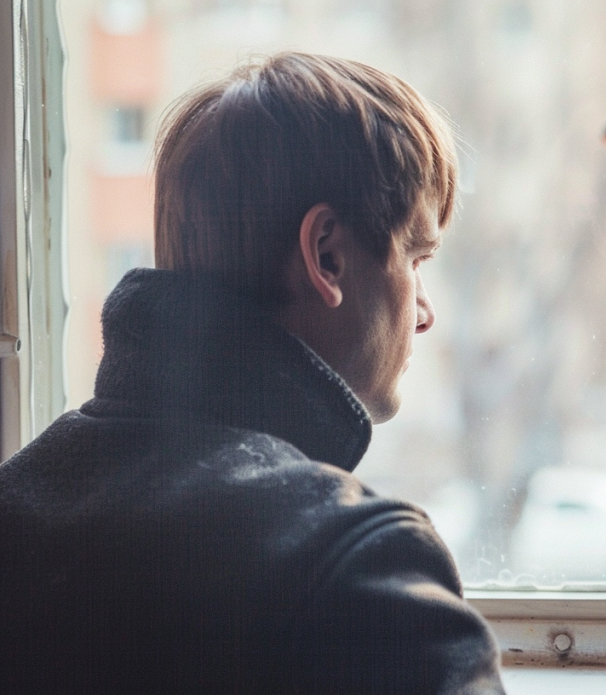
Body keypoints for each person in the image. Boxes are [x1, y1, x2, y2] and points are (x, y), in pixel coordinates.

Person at [0, 52, 505, 694]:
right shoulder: (359, 571)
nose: (425, 312)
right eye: (417, 256)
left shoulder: (13, 509)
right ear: (326, 255)